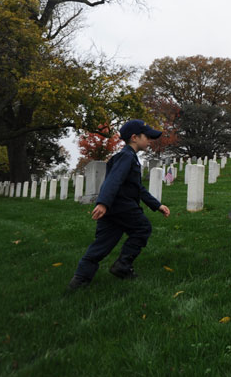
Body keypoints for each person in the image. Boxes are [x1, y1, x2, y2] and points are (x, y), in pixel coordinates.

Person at [67, 120, 170, 290]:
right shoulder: (126, 156)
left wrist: (157, 205)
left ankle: (80, 280)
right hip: (123, 206)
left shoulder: (129, 157)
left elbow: (139, 188)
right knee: (142, 228)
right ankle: (122, 265)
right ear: (134, 137)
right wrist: (102, 203)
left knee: (102, 245)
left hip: (113, 210)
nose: (150, 140)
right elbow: (113, 180)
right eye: (147, 137)